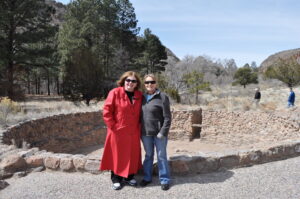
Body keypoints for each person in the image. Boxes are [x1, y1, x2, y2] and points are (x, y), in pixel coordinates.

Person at [100, 71, 143, 190]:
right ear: (123, 81)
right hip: (117, 131)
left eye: (133, 81)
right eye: (128, 80)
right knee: (117, 154)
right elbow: (107, 111)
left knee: (132, 154)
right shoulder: (115, 92)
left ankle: (129, 177)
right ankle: (116, 178)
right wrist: (113, 126)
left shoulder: (139, 95)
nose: (130, 83)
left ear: (136, 83)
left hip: (133, 131)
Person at [139, 74, 172, 191]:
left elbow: (167, 117)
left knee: (161, 157)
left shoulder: (163, 97)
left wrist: (162, 132)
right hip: (145, 133)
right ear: (144, 85)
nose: (149, 85)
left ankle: (164, 180)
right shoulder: (141, 98)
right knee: (148, 156)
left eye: (152, 82)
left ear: (156, 83)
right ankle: (147, 178)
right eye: (147, 82)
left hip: (159, 134)